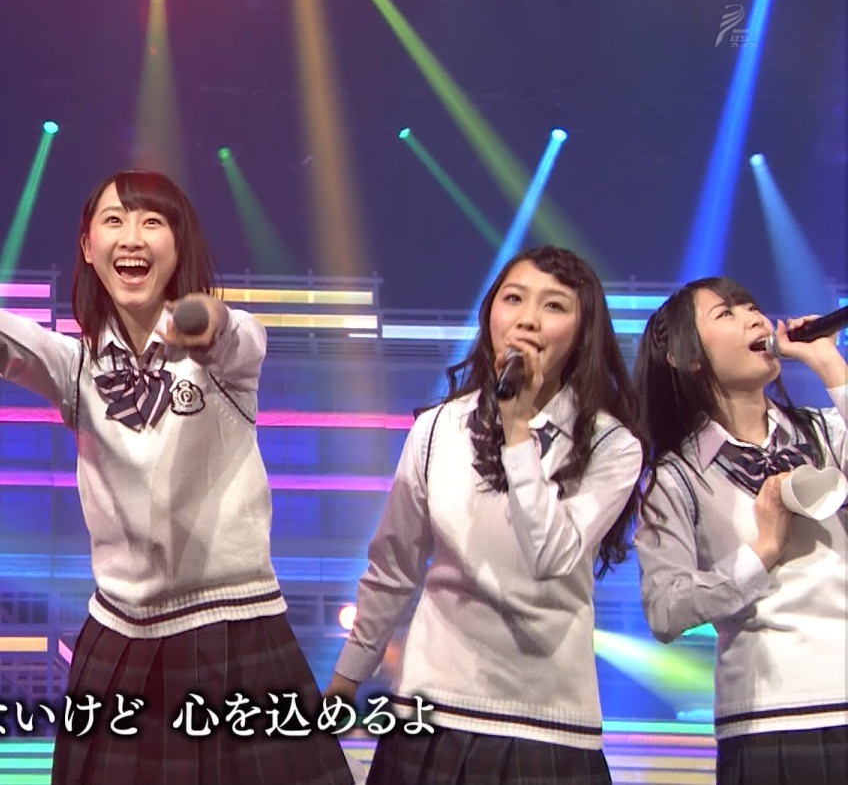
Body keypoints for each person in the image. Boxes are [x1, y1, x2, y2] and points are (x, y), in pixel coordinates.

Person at [0, 170, 352, 785]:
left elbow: (240, 336)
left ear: (179, 244)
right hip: (119, 637)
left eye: (153, 222)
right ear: (88, 247)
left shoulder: (221, 356)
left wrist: (204, 320)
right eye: (114, 221)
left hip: (235, 629)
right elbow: (13, 340)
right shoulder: (79, 368)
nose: (132, 237)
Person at [326, 246, 646, 784]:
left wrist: (518, 433)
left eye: (554, 305)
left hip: (548, 725)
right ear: (490, 313)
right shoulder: (437, 429)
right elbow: (393, 568)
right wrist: (346, 679)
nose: (527, 319)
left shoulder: (611, 445)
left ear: (582, 332)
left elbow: (552, 557)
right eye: (513, 299)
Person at [633, 277, 847, 784]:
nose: (754, 317)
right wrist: (761, 550)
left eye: (752, 307)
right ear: (686, 357)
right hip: (768, 718)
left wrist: (828, 363)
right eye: (726, 313)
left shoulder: (824, 430)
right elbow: (664, 608)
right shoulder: (677, 476)